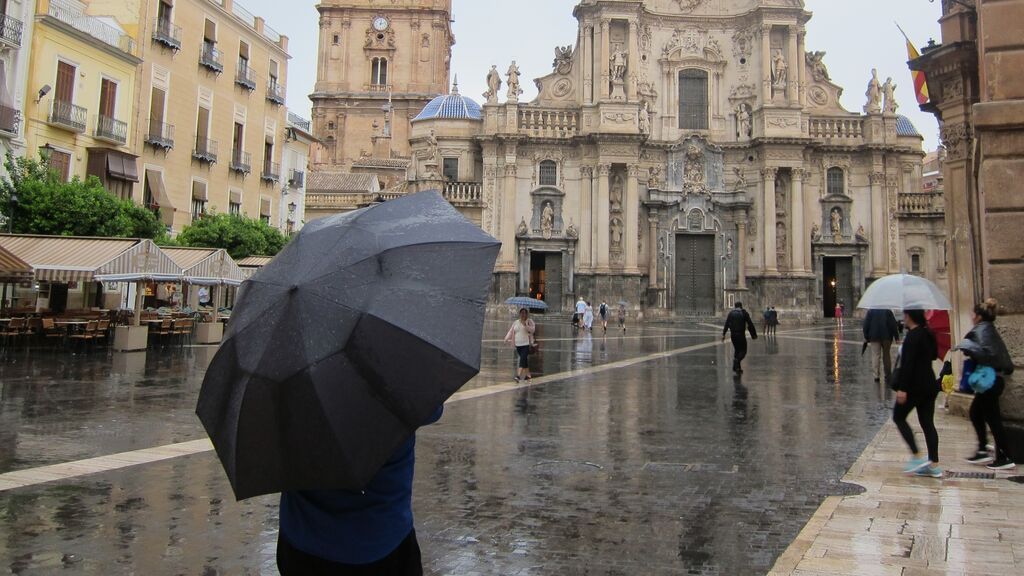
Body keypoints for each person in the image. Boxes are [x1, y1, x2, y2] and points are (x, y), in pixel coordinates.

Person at [277, 406, 443, 575]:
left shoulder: (293, 396)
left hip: (303, 540)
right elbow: (431, 409)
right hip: (383, 538)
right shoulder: (396, 391)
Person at [961, 299, 1017, 470]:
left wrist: (967, 348)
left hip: (989, 382)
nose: (971, 317)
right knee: (976, 413)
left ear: (979, 316)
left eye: (973, 314)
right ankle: (983, 450)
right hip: (992, 381)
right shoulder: (988, 330)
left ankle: (1005, 456)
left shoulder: (981, 330)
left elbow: (983, 353)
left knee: (993, 419)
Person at [891, 309, 942, 478]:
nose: (904, 318)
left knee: (898, 417)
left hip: (914, 386)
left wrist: (903, 389)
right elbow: (934, 355)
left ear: (910, 316)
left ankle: (916, 455)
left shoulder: (912, 337)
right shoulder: (928, 333)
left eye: (905, 315)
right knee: (928, 423)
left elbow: (908, 365)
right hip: (929, 384)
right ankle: (934, 465)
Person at [863, 308, 900, 384]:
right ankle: (887, 375)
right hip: (887, 336)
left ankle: (876, 376)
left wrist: (866, 336)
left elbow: (866, 324)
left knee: (875, 355)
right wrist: (896, 337)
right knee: (886, 355)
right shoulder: (887, 310)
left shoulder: (871, 311)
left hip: (874, 336)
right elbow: (893, 324)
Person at [722, 302, 757, 374]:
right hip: (741, 335)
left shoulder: (731, 313)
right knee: (743, 351)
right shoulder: (744, 313)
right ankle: (737, 361)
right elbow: (750, 324)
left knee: (737, 350)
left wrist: (723, 334)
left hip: (733, 335)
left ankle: (737, 368)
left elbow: (726, 324)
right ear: (741, 306)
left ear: (735, 306)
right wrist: (753, 335)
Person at [504, 308, 536, 382]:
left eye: (524, 313)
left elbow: (532, 330)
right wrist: (506, 338)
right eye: (522, 313)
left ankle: (518, 376)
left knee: (522, 359)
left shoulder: (529, 321)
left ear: (526, 314)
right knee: (524, 360)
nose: (523, 314)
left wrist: (526, 326)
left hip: (526, 344)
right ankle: (528, 376)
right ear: (520, 314)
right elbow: (511, 331)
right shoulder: (516, 322)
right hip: (518, 344)